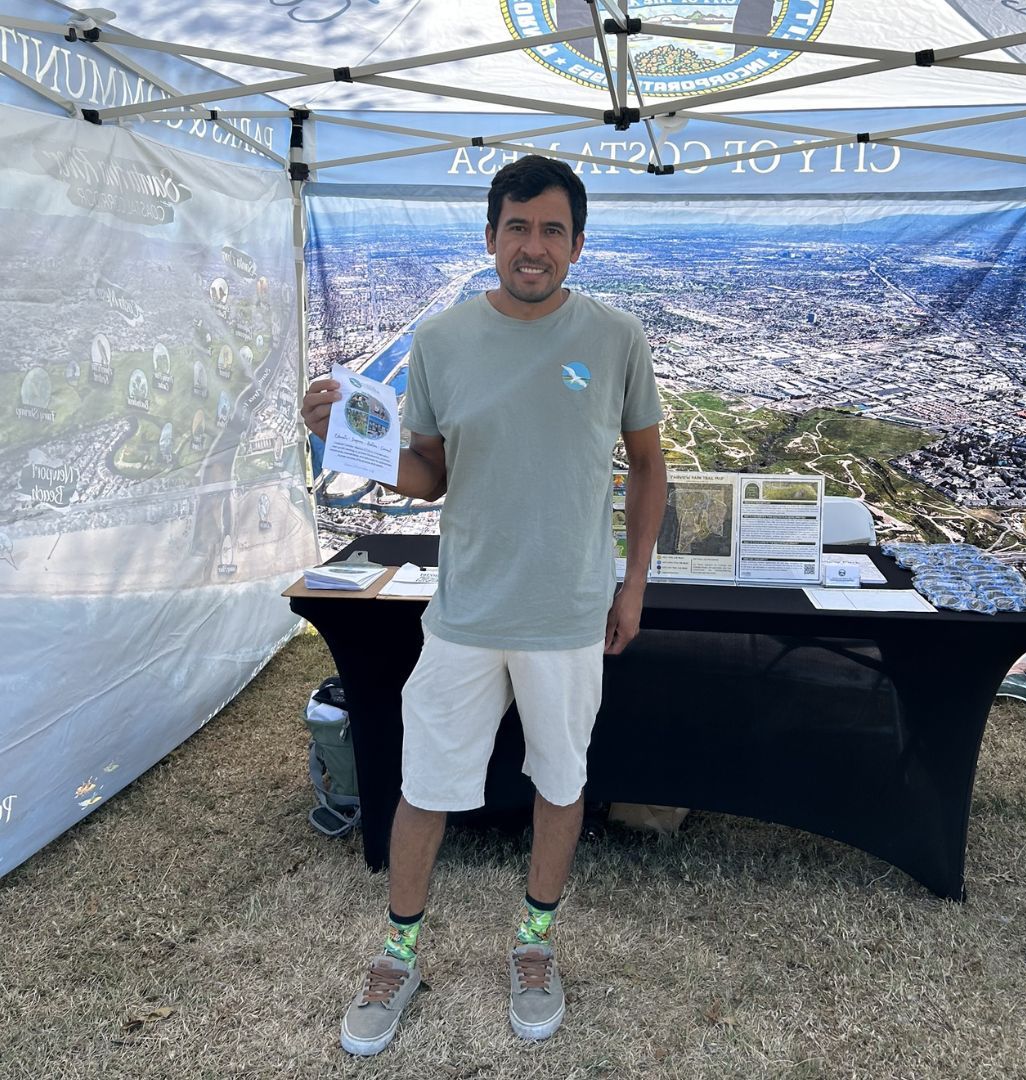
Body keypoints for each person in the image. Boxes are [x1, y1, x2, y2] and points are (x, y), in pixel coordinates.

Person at [300, 154, 667, 1057]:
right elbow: (429, 476)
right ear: (490, 235)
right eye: (516, 227)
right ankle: (398, 953)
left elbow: (649, 466)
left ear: (577, 245)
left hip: (568, 611)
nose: (532, 246)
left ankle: (534, 945)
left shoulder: (618, 337)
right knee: (425, 788)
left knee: (561, 781)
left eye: (551, 230)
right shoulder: (442, 340)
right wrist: (348, 437)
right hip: (466, 611)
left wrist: (634, 584)